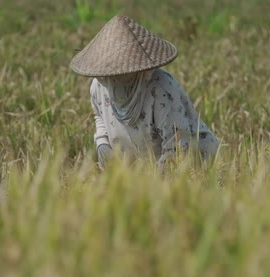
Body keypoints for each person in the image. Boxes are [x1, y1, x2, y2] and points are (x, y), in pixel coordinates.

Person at [70, 15, 220, 168]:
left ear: (141, 70)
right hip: (142, 164)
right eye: (109, 72)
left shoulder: (161, 90)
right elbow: (99, 115)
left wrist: (151, 185)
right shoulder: (99, 85)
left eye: (121, 72)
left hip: (191, 160)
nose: (114, 78)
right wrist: (102, 144)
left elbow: (177, 146)